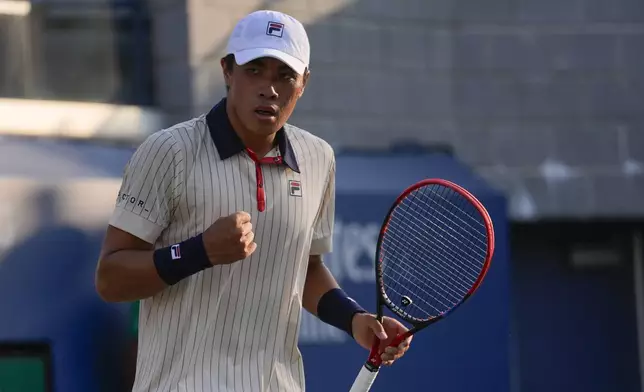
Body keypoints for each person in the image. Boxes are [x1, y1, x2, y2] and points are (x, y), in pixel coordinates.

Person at [95, 9, 412, 392]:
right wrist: (199, 252)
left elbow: (306, 267)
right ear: (228, 71)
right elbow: (111, 279)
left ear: (304, 83)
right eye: (255, 70)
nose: (270, 88)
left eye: (284, 75)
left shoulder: (318, 158)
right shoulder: (167, 152)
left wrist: (356, 320)